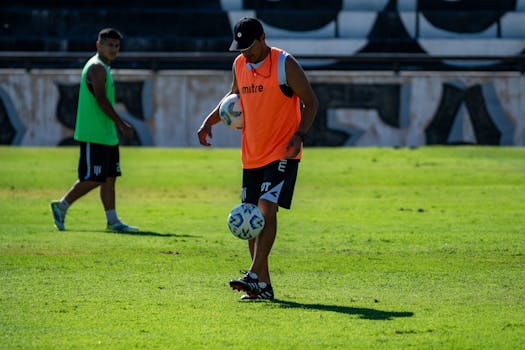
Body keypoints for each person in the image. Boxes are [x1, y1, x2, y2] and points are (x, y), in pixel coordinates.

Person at [197, 17, 318, 300]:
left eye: (249, 47)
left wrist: (300, 134)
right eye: (241, 48)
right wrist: (208, 122)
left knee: (267, 209)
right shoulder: (239, 64)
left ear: (263, 38)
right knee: (250, 218)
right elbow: (232, 97)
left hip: (282, 152)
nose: (245, 53)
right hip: (252, 154)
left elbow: (311, 102)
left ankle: (252, 274)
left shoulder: (283, 64)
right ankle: (262, 286)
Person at [50, 28, 138, 233]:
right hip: (94, 133)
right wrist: (122, 123)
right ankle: (61, 205)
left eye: (116, 46)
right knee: (93, 177)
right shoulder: (97, 67)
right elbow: (101, 101)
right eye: (109, 45)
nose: (114, 49)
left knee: (109, 177)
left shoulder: (104, 67)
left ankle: (113, 221)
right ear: (99, 45)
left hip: (106, 134)